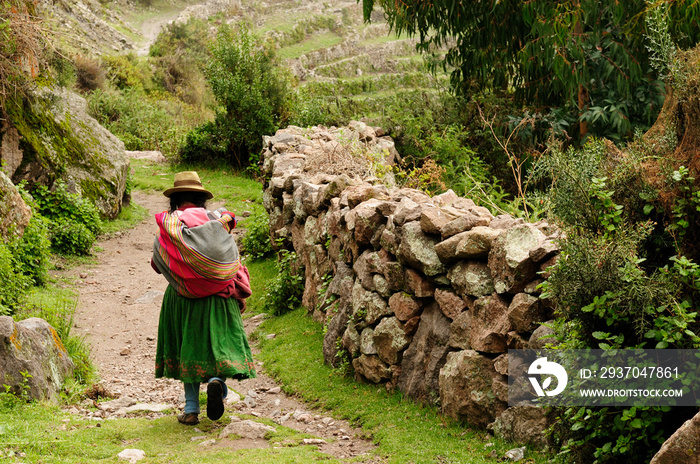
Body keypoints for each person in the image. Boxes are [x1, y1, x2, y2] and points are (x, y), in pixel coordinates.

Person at [151, 171, 255, 425]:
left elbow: (157, 262)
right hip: (221, 294)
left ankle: (191, 409)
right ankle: (215, 381)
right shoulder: (217, 220)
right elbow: (231, 257)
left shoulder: (170, 224)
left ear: (175, 200)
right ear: (201, 199)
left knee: (188, 344)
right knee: (218, 341)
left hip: (182, 294)